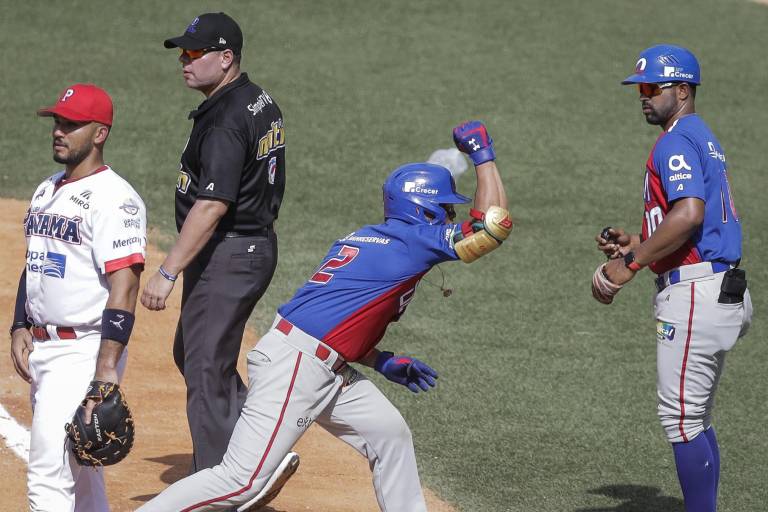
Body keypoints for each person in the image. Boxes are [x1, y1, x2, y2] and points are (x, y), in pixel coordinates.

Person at [136, 120, 511, 511]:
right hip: (298, 367)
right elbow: (491, 227)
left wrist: (380, 360)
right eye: (447, 209)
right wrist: (483, 156)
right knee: (240, 481)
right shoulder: (411, 241)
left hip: (320, 364)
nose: (451, 218)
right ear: (426, 210)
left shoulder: (372, 238)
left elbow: (332, 319)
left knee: (390, 435)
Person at [592, 45, 753, 512]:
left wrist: (629, 264)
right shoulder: (700, 136)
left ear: (682, 91)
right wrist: (636, 241)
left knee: (681, 420)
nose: (642, 97)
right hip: (716, 287)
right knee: (694, 418)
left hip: (696, 294)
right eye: (639, 89)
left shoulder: (676, 140)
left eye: (651, 88)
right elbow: (686, 221)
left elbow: (688, 214)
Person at [140, 12, 286, 473]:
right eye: (183, 52)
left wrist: (167, 273)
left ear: (226, 59)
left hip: (229, 252)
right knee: (196, 353)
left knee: (205, 368)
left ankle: (224, 483)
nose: (184, 61)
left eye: (194, 53)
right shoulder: (256, 99)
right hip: (247, 245)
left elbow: (212, 204)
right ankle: (258, 450)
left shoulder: (225, 120)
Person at [10, 83, 147, 511]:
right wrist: (19, 323)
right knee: (82, 473)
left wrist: (104, 371)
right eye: (57, 121)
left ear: (100, 133)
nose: (59, 130)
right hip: (46, 349)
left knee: (48, 475)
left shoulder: (115, 199)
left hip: (84, 352)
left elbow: (125, 287)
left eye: (71, 124)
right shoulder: (47, 188)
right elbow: (35, 259)